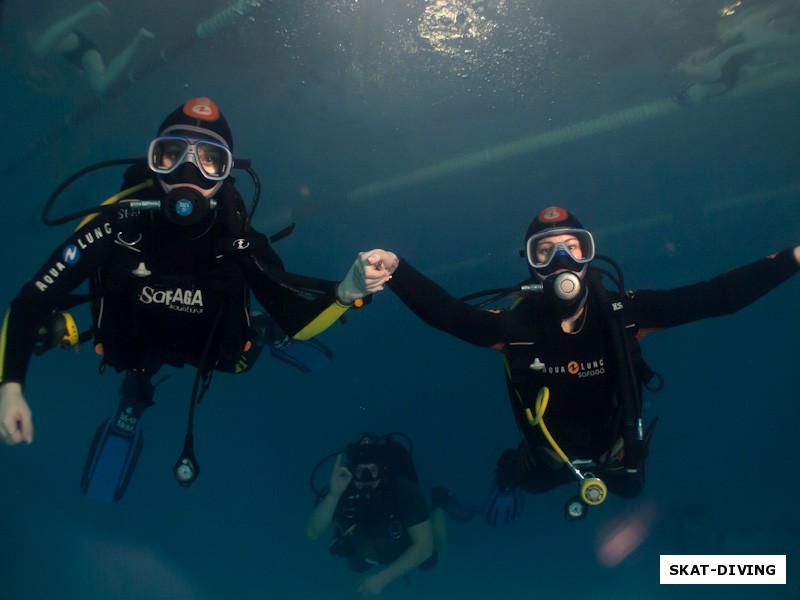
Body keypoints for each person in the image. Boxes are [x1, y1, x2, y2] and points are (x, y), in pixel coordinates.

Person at [0, 97, 392, 500]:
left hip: (213, 350)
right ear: (154, 160)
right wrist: (9, 387)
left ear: (225, 174)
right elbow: (33, 300)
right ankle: (136, 397)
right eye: (171, 155)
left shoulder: (238, 242)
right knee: (135, 368)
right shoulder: (117, 225)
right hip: (137, 344)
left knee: (243, 356)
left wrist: (348, 293)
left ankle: (262, 330)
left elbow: (299, 321)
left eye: (209, 161)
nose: (188, 173)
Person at [357, 206, 800, 521]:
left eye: (572, 246)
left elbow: (715, 297)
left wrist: (793, 259)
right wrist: (396, 269)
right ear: (531, 265)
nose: (562, 261)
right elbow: (450, 316)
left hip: (618, 453)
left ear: (590, 253)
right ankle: (506, 480)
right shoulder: (513, 327)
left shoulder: (626, 313)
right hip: (547, 458)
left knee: (630, 489)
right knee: (525, 480)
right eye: (545, 252)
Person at [306, 433, 450, 597]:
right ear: (351, 471)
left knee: (431, 563)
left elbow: (424, 547)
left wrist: (383, 578)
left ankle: (439, 503)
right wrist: (333, 496)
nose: (367, 479)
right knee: (356, 566)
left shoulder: (403, 489)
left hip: (404, 544)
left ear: (382, 469)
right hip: (362, 547)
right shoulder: (340, 487)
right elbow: (312, 533)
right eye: (360, 471)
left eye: (373, 470)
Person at [29, 1, 154, 95]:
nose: (37, 85)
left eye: (37, 82)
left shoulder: (33, 56)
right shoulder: (55, 86)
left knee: (39, 49)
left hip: (69, 43)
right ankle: (138, 40)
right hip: (79, 54)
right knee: (99, 85)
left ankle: (87, 11)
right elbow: (57, 87)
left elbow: (39, 47)